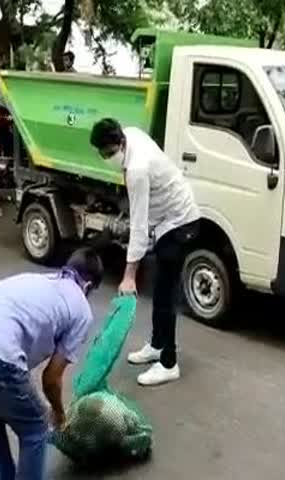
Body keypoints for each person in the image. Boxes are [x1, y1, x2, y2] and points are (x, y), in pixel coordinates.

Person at [0, 247, 101, 480]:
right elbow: (51, 378)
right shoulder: (81, 309)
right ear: (88, 286)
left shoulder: (37, 279)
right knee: (36, 429)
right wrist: (59, 414)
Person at [90, 118, 200, 386]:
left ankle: (168, 362)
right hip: (166, 220)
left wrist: (129, 275)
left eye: (109, 154)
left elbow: (138, 226)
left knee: (165, 294)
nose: (107, 159)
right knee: (161, 286)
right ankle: (157, 345)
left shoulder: (137, 170)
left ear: (121, 143)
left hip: (179, 222)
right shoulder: (131, 132)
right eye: (102, 155)